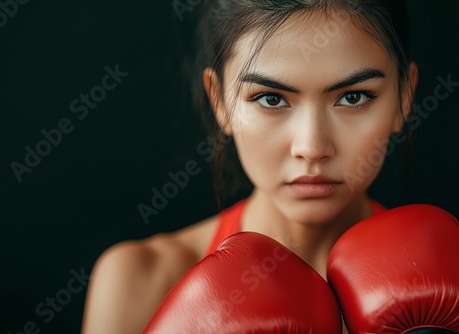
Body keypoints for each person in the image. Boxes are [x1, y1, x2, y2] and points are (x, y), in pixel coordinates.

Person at [81, 0, 420, 333]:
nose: (312, 148)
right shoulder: (138, 281)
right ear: (220, 102)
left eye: (353, 96)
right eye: (270, 98)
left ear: (404, 96)